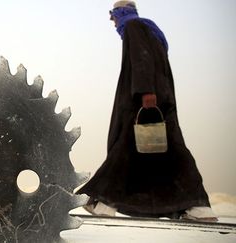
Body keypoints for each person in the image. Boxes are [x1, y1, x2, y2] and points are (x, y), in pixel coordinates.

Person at [76, 1, 217, 221]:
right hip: (160, 98)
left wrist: (146, 93)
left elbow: (142, 58)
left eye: (113, 15)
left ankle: (103, 202)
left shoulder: (134, 27)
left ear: (121, 13)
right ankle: (196, 208)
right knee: (157, 155)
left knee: (127, 150)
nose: (112, 21)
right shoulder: (150, 29)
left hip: (143, 102)